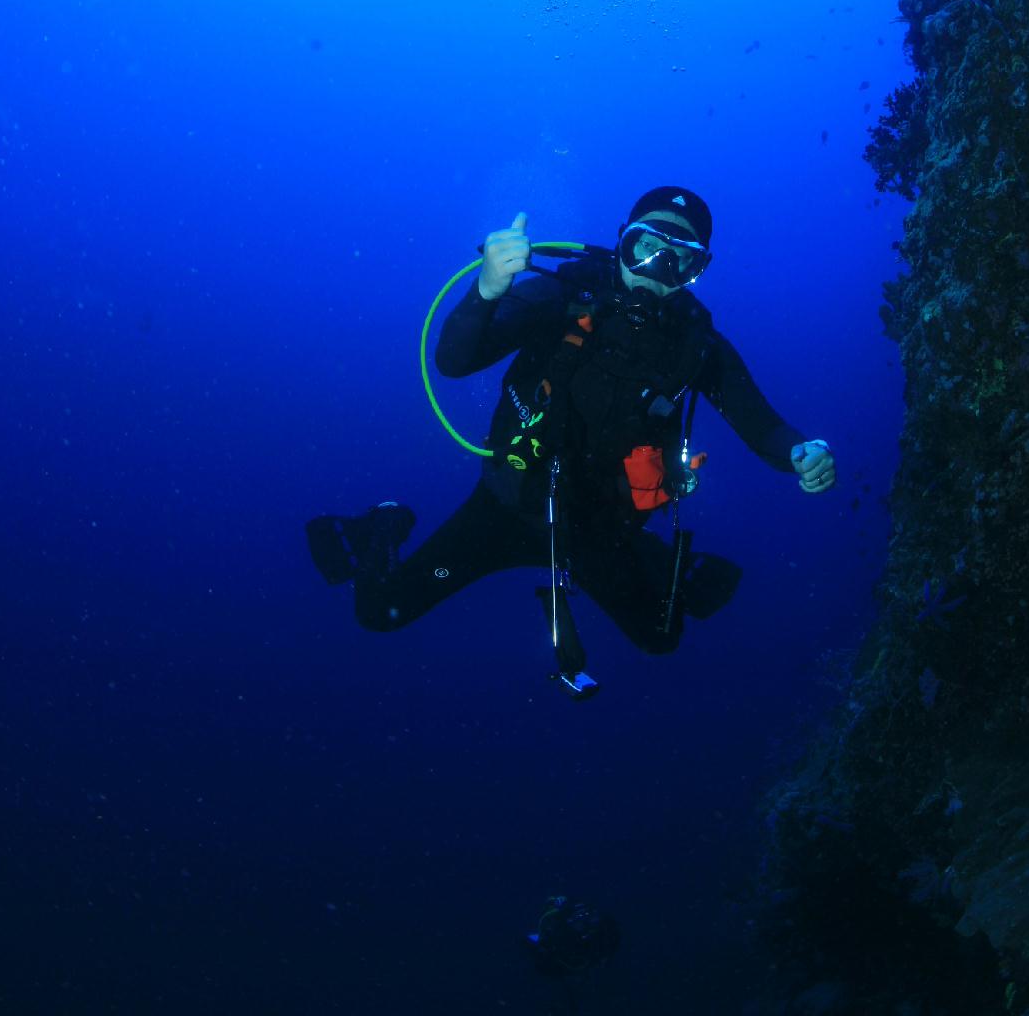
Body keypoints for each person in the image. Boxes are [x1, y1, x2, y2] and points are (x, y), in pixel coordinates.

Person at [306, 187, 836, 684]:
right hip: (505, 509)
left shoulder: (696, 346)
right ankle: (384, 526)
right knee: (379, 613)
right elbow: (452, 361)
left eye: (680, 260)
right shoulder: (561, 297)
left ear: (696, 271)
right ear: (622, 240)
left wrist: (799, 453)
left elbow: (759, 422)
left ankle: (646, 556)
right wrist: (487, 289)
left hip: (599, 531)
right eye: (645, 249)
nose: (656, 271)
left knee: (661, 639)